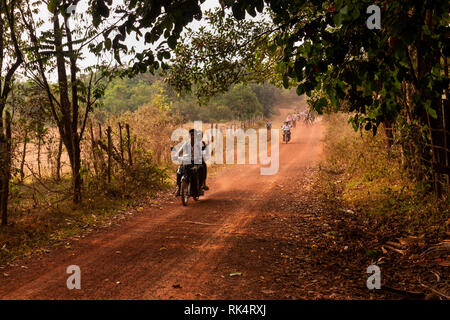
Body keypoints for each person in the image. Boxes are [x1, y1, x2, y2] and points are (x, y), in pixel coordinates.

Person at [174, 129, 209, 196]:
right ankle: (179, 188)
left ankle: (203, 184)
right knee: (179, 171)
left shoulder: (200, 144)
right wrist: (176, 156)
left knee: (202, 167)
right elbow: (179, 151)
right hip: (188, 161)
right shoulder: (186, 144)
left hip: (197, 161)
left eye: (193, 135)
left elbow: (204, 151)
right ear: (189, 136)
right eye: (191, 135)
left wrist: (202, 156)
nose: (192, 136)